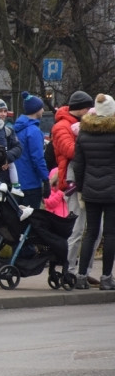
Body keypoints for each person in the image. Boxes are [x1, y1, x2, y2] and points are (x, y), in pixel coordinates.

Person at [53, 90, 99, 285]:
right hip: (73, 182)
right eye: (88, 108)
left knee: (94, 229)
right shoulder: (62, 126)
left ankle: (83, 271)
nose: (90, 112)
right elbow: (70, 150)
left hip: (90, 180)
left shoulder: (76, 125)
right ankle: (69, 269)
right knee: (77, 229)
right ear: (80, 109)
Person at [71, 93, 115, 291]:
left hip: (89, 189)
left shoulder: (84, 133)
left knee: (90, 232)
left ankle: (81, 276)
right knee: (110, 234)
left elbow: (79, 165)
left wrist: (81, 188)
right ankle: (106, 277)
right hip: (112, 191)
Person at [13, 91, 51, 209]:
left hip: (16, 182)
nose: (43, 111)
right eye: (41, 108)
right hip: (31, 184)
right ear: (36, 110)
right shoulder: (34, 131)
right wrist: (45, 179)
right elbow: (38, 158)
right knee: (31, 219)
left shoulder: (16, 129)